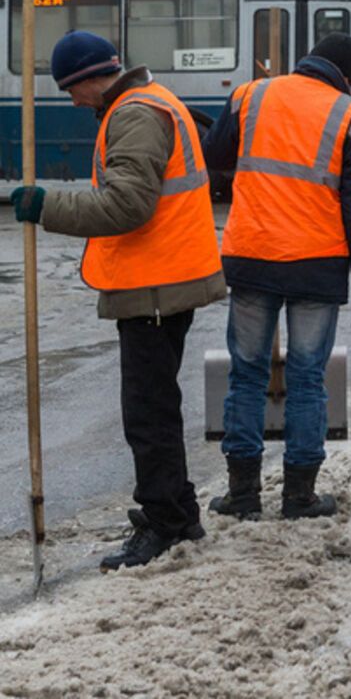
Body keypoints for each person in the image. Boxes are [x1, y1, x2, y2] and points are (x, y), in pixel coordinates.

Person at [10, 31, 225, 570]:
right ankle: (177, 511)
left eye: (71, 90)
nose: (72, 102)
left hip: (156, 284)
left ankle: (165, 523)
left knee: (147, 416)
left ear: (90, 78)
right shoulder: (148, 103)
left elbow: (127, 206)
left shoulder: (134, 114)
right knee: (156, 408)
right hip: (163, 279)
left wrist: (46, 206)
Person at [203, 33, 351, 522]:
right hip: (316, 265)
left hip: (252, 256)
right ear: (347, 77)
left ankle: (242, 494)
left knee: (246, 374)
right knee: (307, 379)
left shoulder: (251, 95)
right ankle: (300, 496)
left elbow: (213, 155)